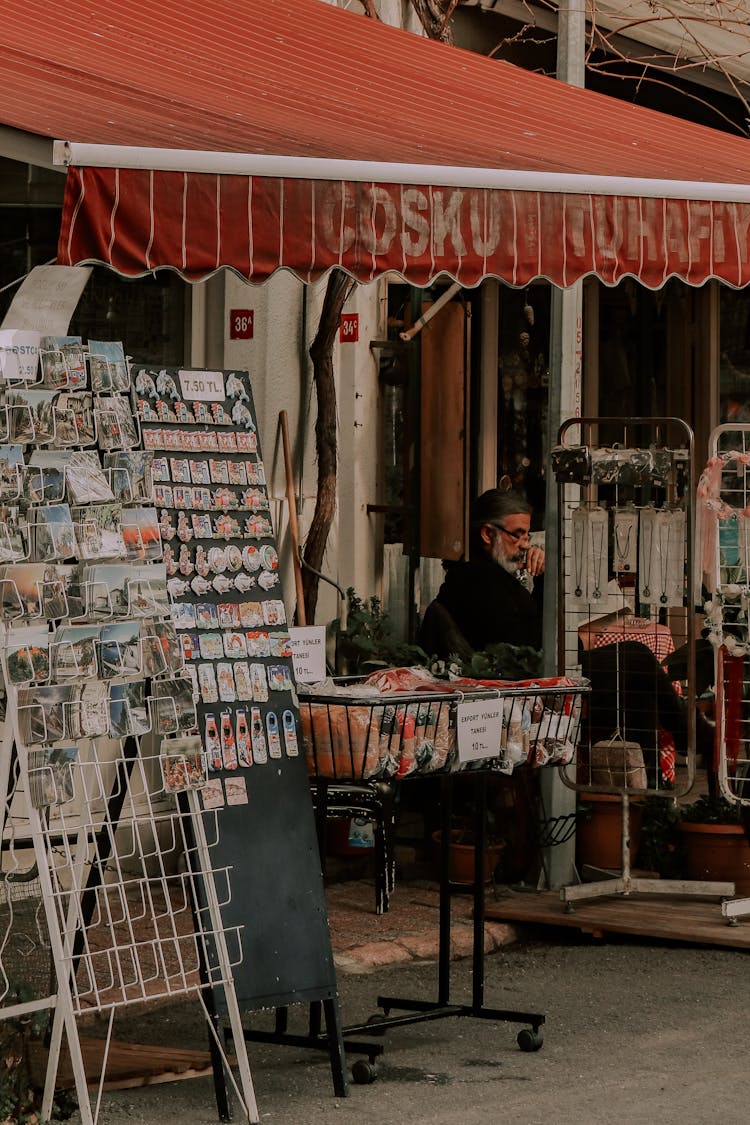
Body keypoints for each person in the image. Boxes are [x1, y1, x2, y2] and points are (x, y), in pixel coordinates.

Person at [420, 487, 714, 769]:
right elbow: (530, 641)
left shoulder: (493, 577)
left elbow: (531, 630)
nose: (525, 544)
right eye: (517, 535)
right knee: (634, 657)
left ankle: (641, 786)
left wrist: (542, 583)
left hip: (533, 677)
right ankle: (695, 737)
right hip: (520, 689)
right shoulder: (476, 579)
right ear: (487, 533)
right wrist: (546, 585)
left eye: (528, 535)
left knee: (636, 687)